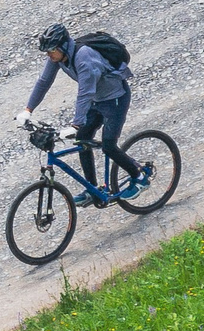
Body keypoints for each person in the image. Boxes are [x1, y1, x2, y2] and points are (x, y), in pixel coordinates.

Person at [19, 23, 148, 206]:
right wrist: (28, 110)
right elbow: (43, 81)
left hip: (114, 100)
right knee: (82, 141)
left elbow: (85, 92)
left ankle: (139, 177)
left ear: (63, 46)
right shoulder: (58, 57)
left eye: (51, 51)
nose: (48, 55)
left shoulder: (84, 57)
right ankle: (92, 189)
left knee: (109, 146)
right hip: (96, 101)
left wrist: (75, 124)